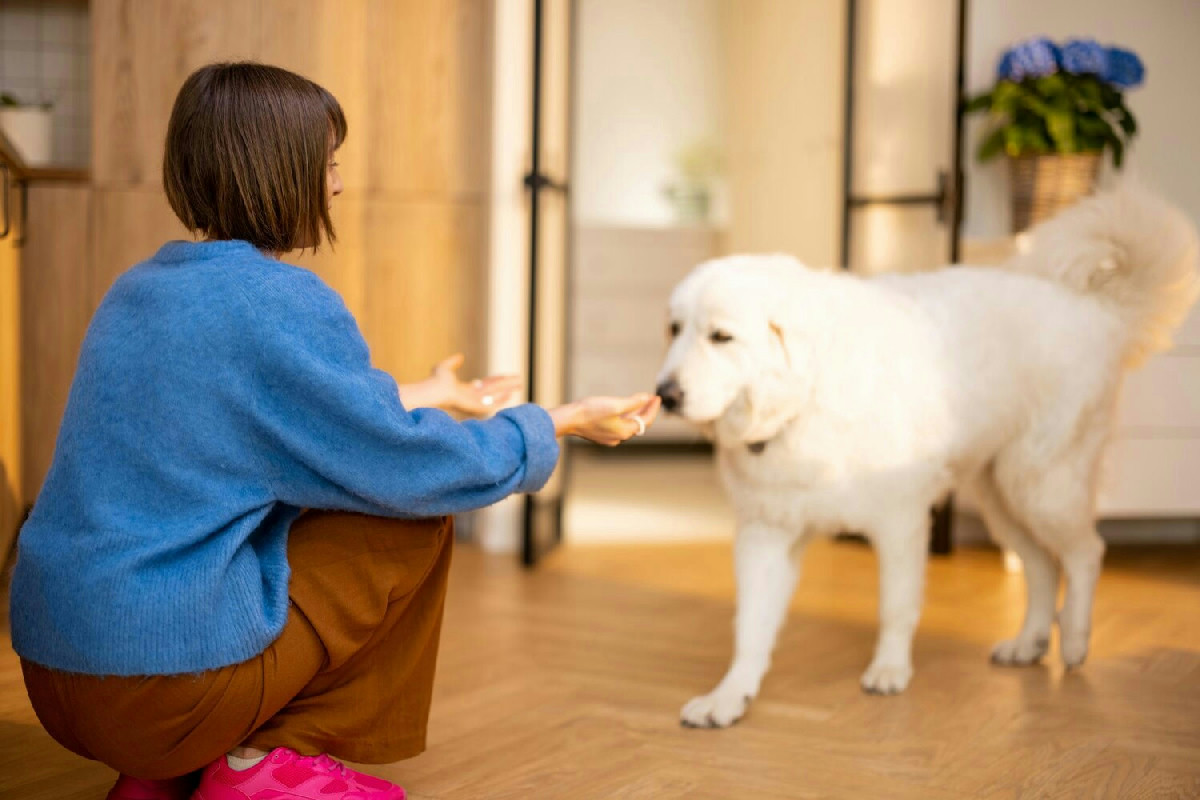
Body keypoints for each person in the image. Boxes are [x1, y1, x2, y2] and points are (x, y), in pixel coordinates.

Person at [9, 62, 659, 800]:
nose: (338, 186)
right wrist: (557, 421)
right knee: (409, 518)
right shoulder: (279, 299)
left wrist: (431, 393)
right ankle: (261, 764)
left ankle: (161, 778)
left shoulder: (139, 290)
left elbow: (246, 419)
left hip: (59, 674)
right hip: (158, 690)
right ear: (280, 171)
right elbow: (409, 469)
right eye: (329, 165)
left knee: (336, 490)